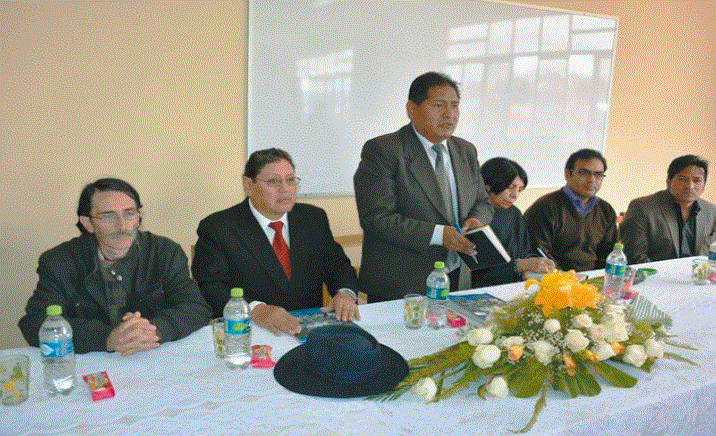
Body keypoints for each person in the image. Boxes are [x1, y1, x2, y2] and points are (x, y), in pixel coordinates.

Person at [18, 178, 212, 356]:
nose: (123, 226)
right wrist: (107, 337)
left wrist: (155, 330)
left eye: (129, 214)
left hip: (152, 355)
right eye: (108, 216)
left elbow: (195, 307)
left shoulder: (164, 252)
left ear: (138, 217)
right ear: (87, 223)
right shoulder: (60, 261)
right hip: (92, 362)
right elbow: (36, 323)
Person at [354, 71, 493, 302]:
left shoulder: (466, 150)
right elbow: (377, 218)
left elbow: (483, 202)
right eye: (438, 105)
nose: (449, 114)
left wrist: (478, 220)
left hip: (458, 276)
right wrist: (440, 235)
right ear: (411, 109)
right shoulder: (384, 150)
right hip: (402, 283)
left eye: (455, 106)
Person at [192, 147, 360, 336]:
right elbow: (210, 287)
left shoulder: (313, 218)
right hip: (251, 332)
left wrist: (345, 293)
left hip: (308, 330)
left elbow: (337, 265)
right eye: (273, 181)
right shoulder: (218, 227)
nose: (285, 189)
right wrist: (255, 309)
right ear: (248, 185)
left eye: (290, 180)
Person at [523, 149, 618, 272]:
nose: (592, 180)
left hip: (592, 277)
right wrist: (565, 276)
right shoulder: (546, 207)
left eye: (598, 175)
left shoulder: (605, 210)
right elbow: (538, 253)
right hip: (556, 277)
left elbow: (608, 253)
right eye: (584, 173)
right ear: (568, 174)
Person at [472, 158, 555, 287]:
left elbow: (526, 252)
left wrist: (535, 264)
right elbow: (477, 273)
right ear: (488, 185)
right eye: (511, 187)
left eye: (520, 190)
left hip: (513, 285)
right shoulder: (474, 218)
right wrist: (519, 266)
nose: (515, 195)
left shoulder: (514, 213)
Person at [621, 154, 716, 264]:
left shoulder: (711, 211)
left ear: (704, 186)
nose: (690, 186)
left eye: (697, 181)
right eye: (683, 179)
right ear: (669, 182)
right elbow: (634, 255)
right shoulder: (642, 207)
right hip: (654, 273)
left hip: (697, 273)